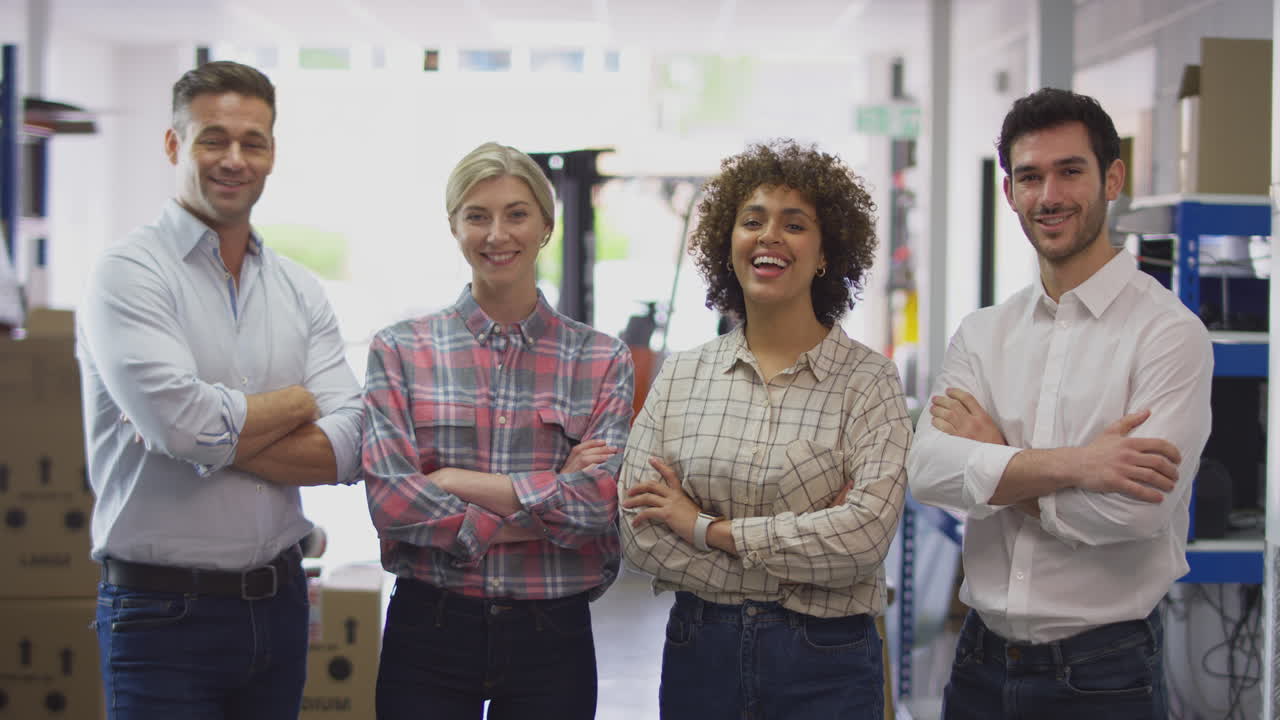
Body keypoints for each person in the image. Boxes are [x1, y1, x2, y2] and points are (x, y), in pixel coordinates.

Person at [907, 87, 1212, 719]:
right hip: (978, 665)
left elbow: (1131, 516)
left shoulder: (1168, 334)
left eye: (1070, 171)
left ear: (1113, 178)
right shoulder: (984, 334)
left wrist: (995, 459)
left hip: (1106, 674)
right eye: (1030, 177)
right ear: (1009, 191)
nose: (1049, 196)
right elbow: (929, 471)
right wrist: (1077, 465)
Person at [77, 60, 363, 719]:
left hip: (281, 605)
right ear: (175, 145)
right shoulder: (127, 274)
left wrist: (194, 431)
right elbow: (178, 424)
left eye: (252, 141)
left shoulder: (298, 288)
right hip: (160, 617)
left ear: (270, 153)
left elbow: (349, 447)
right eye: (213, 138)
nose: (233, 159)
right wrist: (298, 403)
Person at [619, 139, 911, 720]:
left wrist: (702, 526)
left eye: (795, 224)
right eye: (753, 221)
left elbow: (863, 540)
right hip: (702, 652)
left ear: (826, 252)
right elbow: (639, 530)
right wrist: (803, 559)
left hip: (826, 661)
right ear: (728, 244)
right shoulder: (682, 375)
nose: (769, 236)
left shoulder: (868, 381)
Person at [362, 141, 635, 720]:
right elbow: (392, 501)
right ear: (454, 227)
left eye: (516, 213)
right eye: (477, 216)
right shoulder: (400, 350)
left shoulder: (602, 358)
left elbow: (599, 505)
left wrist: (458, 481)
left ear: (545, 225)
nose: (497, 234)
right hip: (429, 627)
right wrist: (551, 487)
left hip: (552, 633)